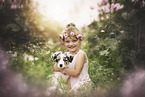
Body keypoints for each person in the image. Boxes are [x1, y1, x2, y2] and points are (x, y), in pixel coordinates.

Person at [53, 23, 93, 93]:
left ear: (80, 40)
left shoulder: (81, 54)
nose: (71, 44)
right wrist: (57, 67)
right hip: (71, 84)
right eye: (67, 41)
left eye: (74, 41)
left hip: (82, 84)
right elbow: (54, 68)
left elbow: (76, 73)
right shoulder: (66, 55)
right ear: (63, 42)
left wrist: (60, 68)